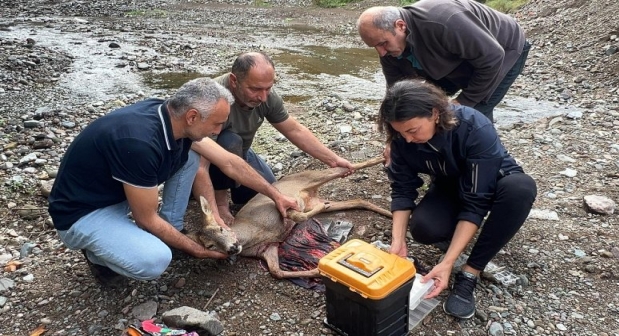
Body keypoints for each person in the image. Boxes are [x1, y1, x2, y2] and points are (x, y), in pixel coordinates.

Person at [48, 78, 299, 287]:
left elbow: (230, 163)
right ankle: (97, 255)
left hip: (116, 192)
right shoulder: (140, 144)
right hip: (81, 213)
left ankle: (169, 226)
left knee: (190, 156)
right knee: (154, 261)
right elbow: (146, 217)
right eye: (217, 124)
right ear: (192, 116)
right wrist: (196, 249)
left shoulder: (172, 117)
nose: (218, 131)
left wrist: (275, 195)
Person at [378, 79, 536, 319]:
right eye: (400, 133)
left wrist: (448, 262)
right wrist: (397, 240)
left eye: (412, 130)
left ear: (434, 113)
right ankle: (454, 236)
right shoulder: (402, 139)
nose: (408, 139)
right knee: (423, 229)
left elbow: (476, 202)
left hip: (494, 182)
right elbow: (402, 189)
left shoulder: (474, 127)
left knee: (520, 189)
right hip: (450, 183)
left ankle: (470, 271)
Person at [193, 52, 354, 225]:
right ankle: (221, 200)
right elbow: (201, 165)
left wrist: (333, 160)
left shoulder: (266, 96)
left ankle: (237, 190)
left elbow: (294, 130)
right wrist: (215, 213)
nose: (263, 97)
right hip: (205, 158)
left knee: (267, 192)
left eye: (268, 88)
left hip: (242, 154)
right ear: (234, 81)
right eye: (255, 89)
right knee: (230, 141)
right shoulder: (213, 100)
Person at [357, 0, 531, 123]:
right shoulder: (388, 49)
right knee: (425, 106)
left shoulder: (443, 21)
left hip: (503, 50)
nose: (381, 52)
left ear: (401, 26)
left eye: (383, 44)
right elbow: (396, 94)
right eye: (374, 47)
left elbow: (492, 57)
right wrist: (393, 136)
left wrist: (462, 101)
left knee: (472, 112)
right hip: (453, 59)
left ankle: (484, 162)